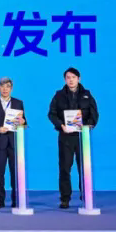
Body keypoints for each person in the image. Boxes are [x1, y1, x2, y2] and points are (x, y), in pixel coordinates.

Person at [47, 67, 99, 209]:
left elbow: (94, 115)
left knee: (84, 168)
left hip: (82, 137)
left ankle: (86, 196)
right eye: (68, 78)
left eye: (73, 77)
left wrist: (87, 126)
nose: (71, 80)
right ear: (65, 80)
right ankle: (65, 198)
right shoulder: (58, 95)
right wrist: (61, 125)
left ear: (78, 79)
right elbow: (51, 114)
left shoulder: (87, 95)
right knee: (64, 168)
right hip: (66, 137)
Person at [0, 76, 25, 209]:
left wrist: (23, 122)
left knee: (15, 173)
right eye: (2, 86)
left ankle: (16, 200)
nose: (5, 89)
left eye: (8, 86)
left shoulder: (18, 103)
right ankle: (0, 200)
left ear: (11, 88)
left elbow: (24, 122)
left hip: (14, 143)